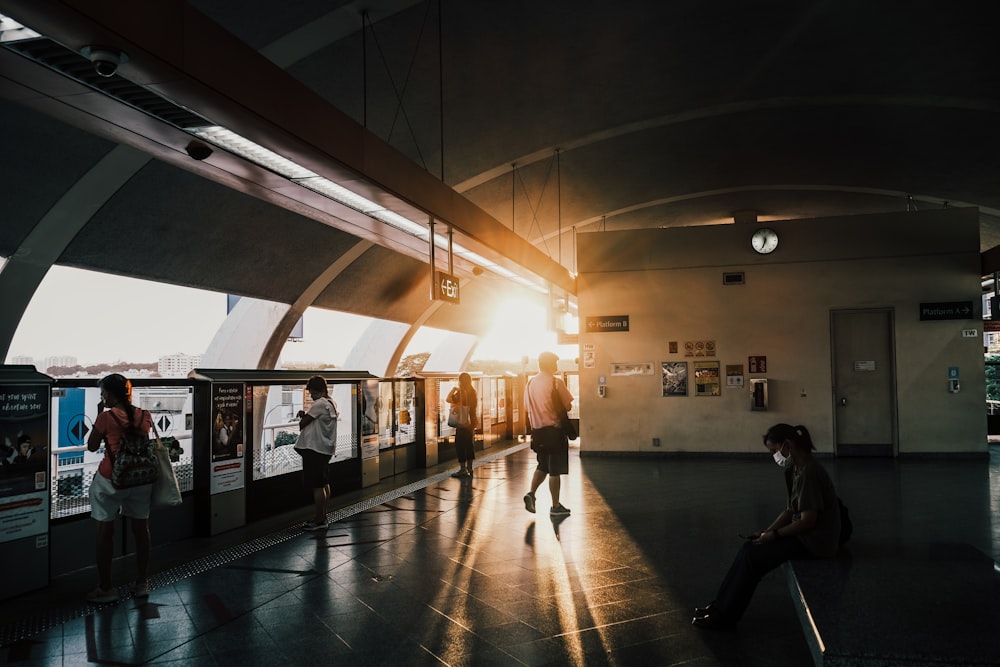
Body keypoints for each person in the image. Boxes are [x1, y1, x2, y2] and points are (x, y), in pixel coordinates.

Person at [692, 423, 841, 630]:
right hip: (805, 535)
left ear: (787, 444)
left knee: (753, 558)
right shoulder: (797, 469)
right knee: (750, 548)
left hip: (816, 541)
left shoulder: (809, 472)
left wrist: (776, 535)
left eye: (774, 450)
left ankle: (726, 616)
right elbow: (790, 511)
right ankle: (719, 606)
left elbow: (808, 521)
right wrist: (765, 533)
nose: (774, 456)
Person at [85, 374, 154, 603]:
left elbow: (92, 446)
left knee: (105, 532)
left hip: (111, 481)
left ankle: (106, 588)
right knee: (141, 529)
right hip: (142, 479)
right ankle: (142, 582)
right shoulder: (144, 416)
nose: (102, 396)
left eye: (103, 392)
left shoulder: (106, 417)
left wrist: (98, 418)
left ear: (111, 394)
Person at [523, 351, 574, 516]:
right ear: (551, 364)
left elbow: (526, 408)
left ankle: (531, 494)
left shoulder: (530, 383)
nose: (557, 366)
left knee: (542, 465)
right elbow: (567, 406)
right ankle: (555, 506)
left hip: (538, 433)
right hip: (554, 432)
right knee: (554, 470)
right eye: (555, 363)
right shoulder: (556, 383)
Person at [295, 375, 339, 531]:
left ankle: (319, 520)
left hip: (314, 450)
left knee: (317, 486)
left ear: (318, 390)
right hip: (325, 449)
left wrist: (304, 417)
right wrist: (306, 414)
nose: (310, 395)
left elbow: (302, 424)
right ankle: (323, 515)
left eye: (311, 391)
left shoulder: (318, 404)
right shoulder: (330, 402)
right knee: (324, 483)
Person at [447, 373, 478, 478]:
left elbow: (448, 399)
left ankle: (462, 469)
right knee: (469, 444)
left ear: (461, 381)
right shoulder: (473, 392)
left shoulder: (460, 392)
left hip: (462, 421)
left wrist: (453, 389)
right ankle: (470, 468)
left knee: (460, 445)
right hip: (472, 421)